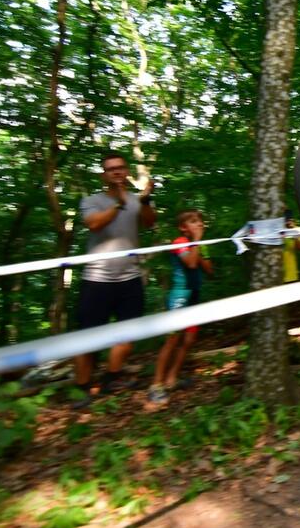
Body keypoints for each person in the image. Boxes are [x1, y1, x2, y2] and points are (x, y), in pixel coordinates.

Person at [73, 152, 156, 406]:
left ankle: (110, 379)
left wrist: (145, 200)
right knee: (88, 339)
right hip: (97, 278)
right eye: (111, 169)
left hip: (130, 278)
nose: (116, 172)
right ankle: (83, 388)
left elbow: (150, 223)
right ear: (103, 175)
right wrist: (118, 204)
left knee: (127, 335)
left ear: (127, 170)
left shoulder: (134, 200)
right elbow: (94, 225)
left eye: (120, 168)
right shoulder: (92, 200)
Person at [149, 209, 213, 405]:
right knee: (172, 339)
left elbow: (209, 270)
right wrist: (196, 241)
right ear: (183, 228)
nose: (199, 224)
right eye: (193, 221)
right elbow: (191, 264)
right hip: (179, 295)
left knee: (190, 339)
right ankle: (156, 384)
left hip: (194, 295)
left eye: (200, 221)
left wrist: (200, 246)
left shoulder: (199, 244)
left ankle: (171, 379)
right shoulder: (179, 243)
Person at [283, 211, 300, 283]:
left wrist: (294, 233)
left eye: (290, 220)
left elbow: (299, 247)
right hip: (278, 270)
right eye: (287, 221)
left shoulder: (296, 229)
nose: (288, 223)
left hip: (291, 272)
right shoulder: (279, 229)